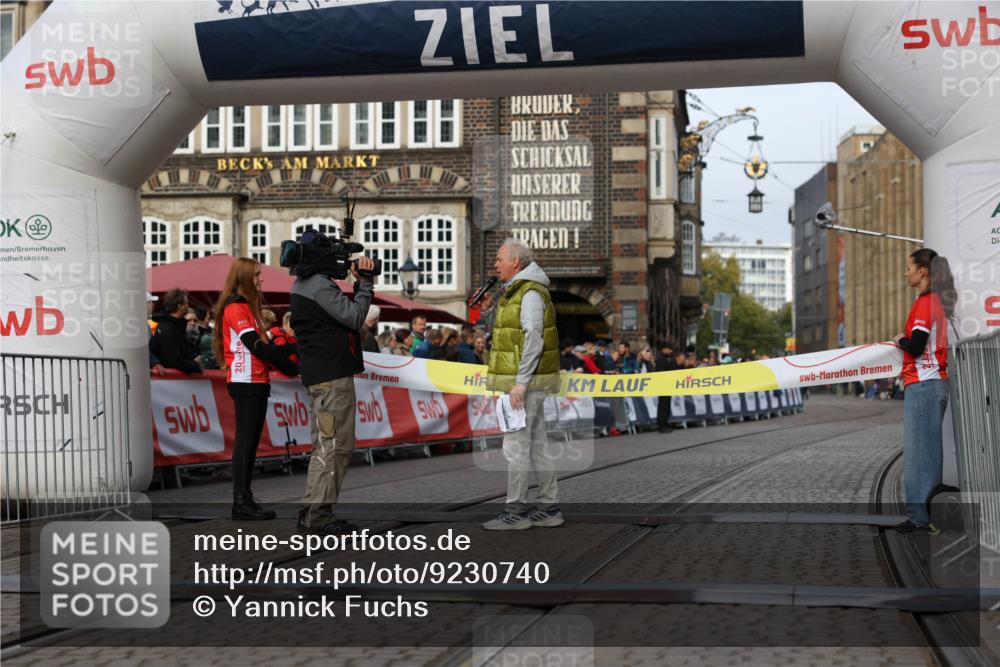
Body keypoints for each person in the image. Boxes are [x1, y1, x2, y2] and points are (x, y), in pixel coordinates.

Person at [290, 234, 376, 535]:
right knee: (336, 446)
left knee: (325, 445)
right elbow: (354, 318)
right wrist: (365, 284)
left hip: (320, 380)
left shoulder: (304, 285)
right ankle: (319, 516)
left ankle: (313, 510)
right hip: (331, 381)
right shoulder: (319, 287)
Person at [478, 239, 562, 530]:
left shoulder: (527, 292)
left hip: (524, 382)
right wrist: (490, 312)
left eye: (500, 259)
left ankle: (515, 512)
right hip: (531, 381)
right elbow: (510, 334)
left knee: (516, 446)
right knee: (538, 444)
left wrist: (520, 382)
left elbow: (533, 337)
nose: (496, 264)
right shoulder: (520, 291)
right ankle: (548, 507)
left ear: (516, 262)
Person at [212, 258, 299, 521]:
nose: (261, 279)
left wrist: (294, 366)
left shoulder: (249, 308)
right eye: (257, 275)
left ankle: (245, 498)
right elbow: (258, 348)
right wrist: (297, 348)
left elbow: (266, 350)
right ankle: (240, 501)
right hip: (245, 380)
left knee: (249, 444)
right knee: (245, 443)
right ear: (244, 277)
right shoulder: (236, 307)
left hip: (257, 380)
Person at [891, 248, 953, 534]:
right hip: (933, 383)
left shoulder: (926, 302)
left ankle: (919, 517)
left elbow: (916, 345)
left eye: (908, 268)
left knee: (918, 455)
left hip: (924, 383)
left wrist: (900, 340)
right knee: (928, 453)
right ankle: (927, 514)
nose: (906, 273)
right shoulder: (936, 300)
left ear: (922, 271)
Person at [150, 288, 202, 374]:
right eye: (186, 303)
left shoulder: (177, 326)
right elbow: (173, 361)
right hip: (168, 382)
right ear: (179, 306)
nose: (188, 306)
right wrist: (194, 364)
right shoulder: (167, 329)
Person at [655, 341, 677, 433]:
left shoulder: (668, 359)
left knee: (666, 405)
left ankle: (665, 423)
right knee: (663, 406)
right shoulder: (661, 359)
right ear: (664, 349)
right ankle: (661, 425)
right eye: (669, 349)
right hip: (663, 385)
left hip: (667, 385)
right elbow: (662, 372)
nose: (671, 351)